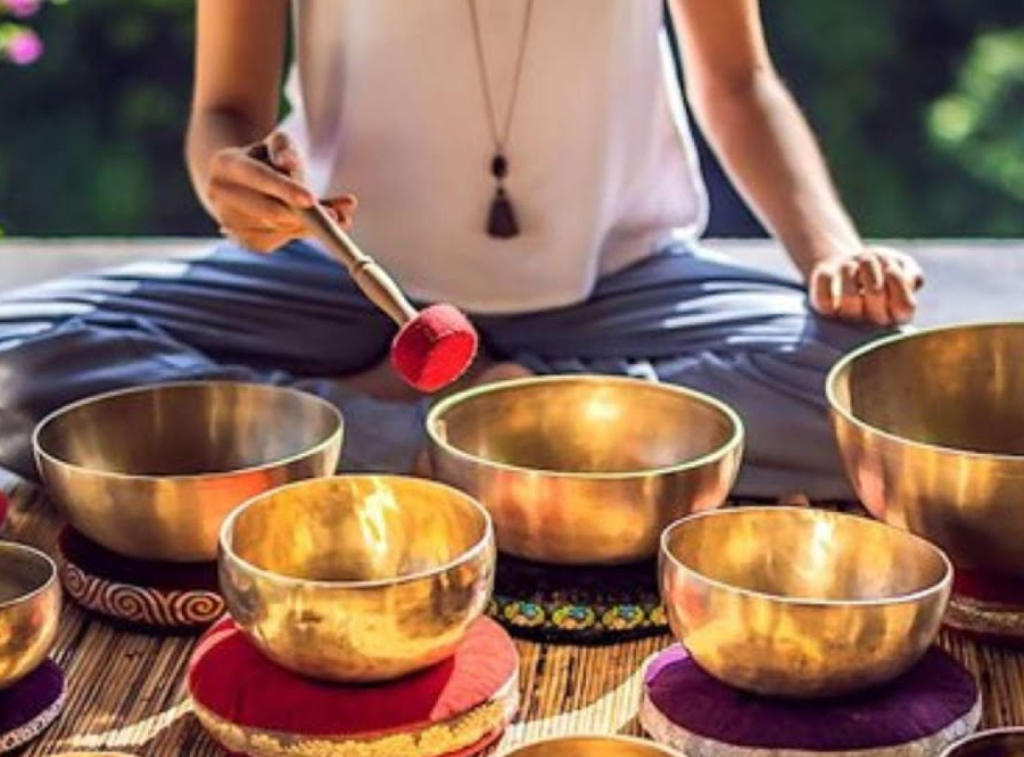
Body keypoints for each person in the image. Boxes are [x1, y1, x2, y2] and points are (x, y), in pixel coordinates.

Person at [0, 0, 923, 498]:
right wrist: (230, 183)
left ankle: (378, 432)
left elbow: (737, 80)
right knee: (12, 361)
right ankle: (518, 434)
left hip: (620, 281)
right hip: (338, 281)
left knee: (883, 396)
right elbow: (223, 113)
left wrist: (831, 255)